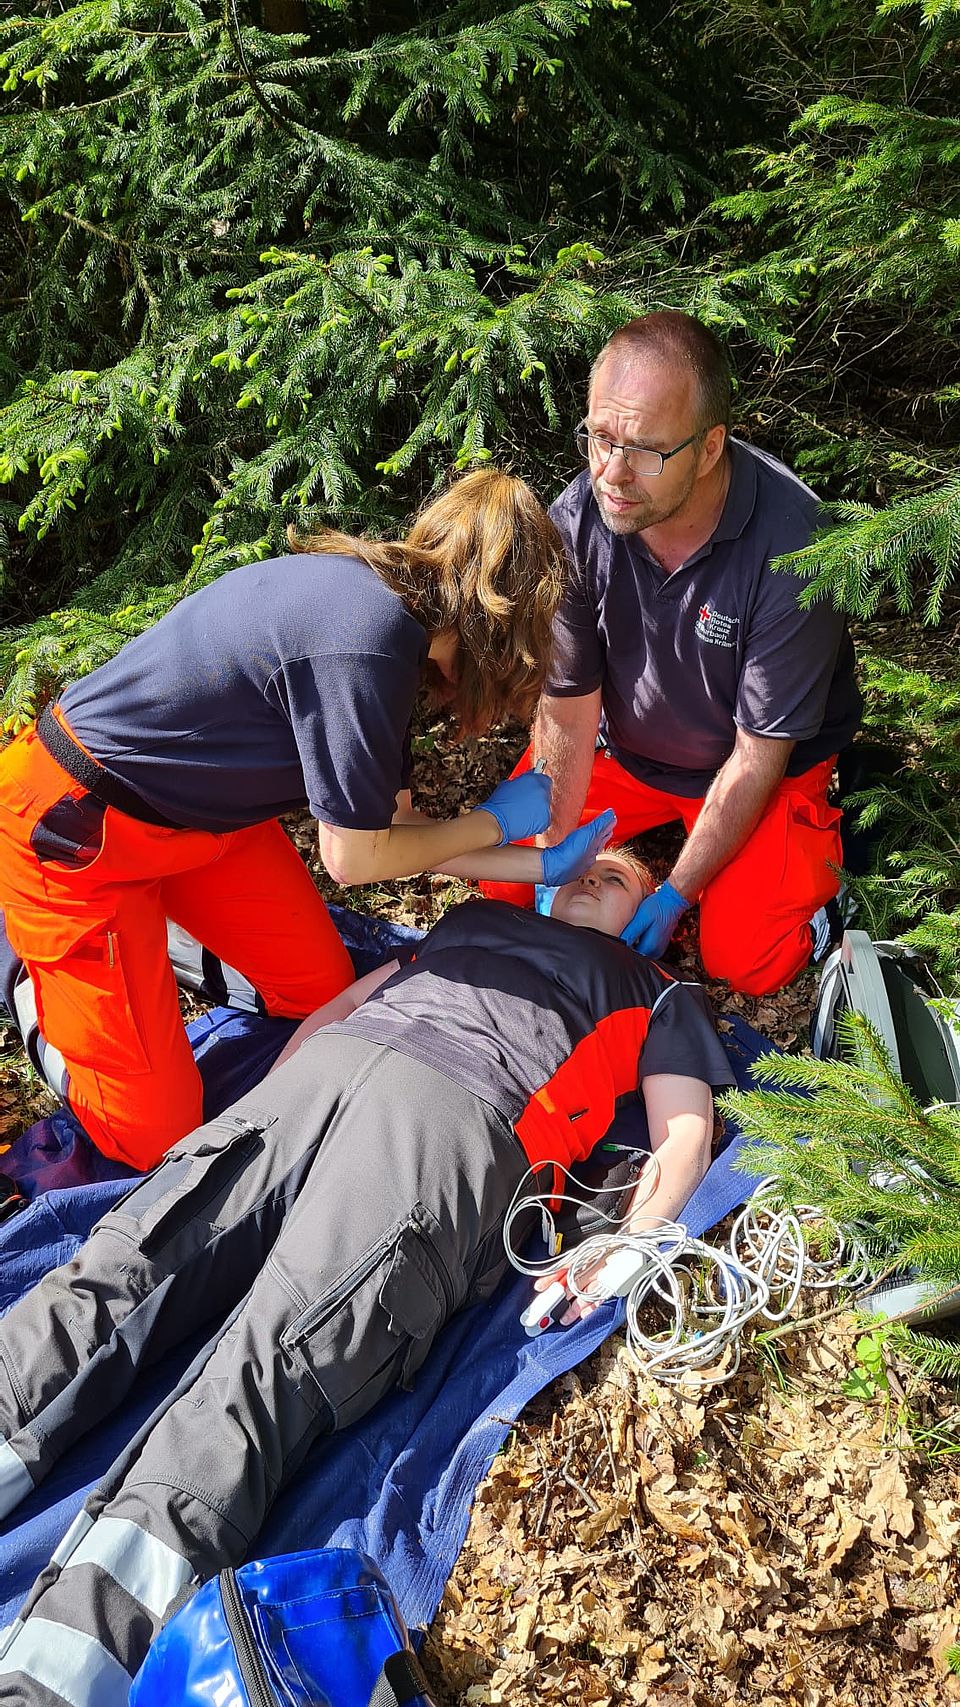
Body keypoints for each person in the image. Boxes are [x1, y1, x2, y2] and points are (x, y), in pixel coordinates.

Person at [0, 849, 734, 1707]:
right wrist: (269, 1110)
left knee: (267, 1367)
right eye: (585, 866)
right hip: (324, 1076)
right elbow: (343, 1004)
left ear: (653, 918)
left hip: (458, 1121)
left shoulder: (655, 989)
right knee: (122, 1265)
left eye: (619, 880)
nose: (591, 878)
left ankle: (57, 1674)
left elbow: (684, 1131)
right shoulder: (465, 923)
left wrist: (628, 1243)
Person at [0, 468, 609, 1170]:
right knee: (152, 1139)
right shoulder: (365, 642)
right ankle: (24, 963)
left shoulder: (396, 629)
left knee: (320, 990)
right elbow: (354, 861)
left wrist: (540, 862)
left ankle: (149, 936)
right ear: (501, 622)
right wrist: (494, 825)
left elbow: (405, 837)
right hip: (76, 833)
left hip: (206, 829)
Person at [483, 312, 863, 996]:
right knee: (500, 876)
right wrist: (549, 861)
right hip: (625, 753)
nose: (613, 473)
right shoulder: (578, 521)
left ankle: (832, 881)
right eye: (600, 438)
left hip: (756, 768)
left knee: (745, 960)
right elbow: (567, 710)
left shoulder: (795, 546)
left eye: (646, 451)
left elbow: (758, 755)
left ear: (711, 446)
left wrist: (677, 895)